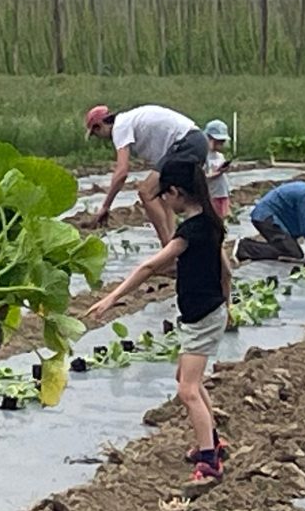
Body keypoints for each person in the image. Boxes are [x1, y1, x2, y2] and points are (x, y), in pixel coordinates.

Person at [87, 158, 232, 485]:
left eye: (165, 196)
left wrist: (112, 297)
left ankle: (209, 461)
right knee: (187, 377)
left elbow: (149, 268)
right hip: (208, 312)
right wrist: (228, 302)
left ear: (177, 192)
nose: (164, 202)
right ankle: (214, 440)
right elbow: (227, 270)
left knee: (187, 390)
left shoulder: (189, 232)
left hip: (202, 316)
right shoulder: (213, 223)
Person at [84, 102, 208, 245]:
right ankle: (172, 244)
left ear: (99, 125)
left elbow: (122, 172)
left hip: (186, 143)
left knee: (146, 191)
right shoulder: (129, 120)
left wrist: (106, 206)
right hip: (196, 141)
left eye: (96, 133)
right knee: (164, 194)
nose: (100, 138)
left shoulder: (120, 126)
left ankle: (167, 249)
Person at [236, 178, 305, 263]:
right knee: (293, 253)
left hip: (281, 222)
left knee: (288, 248)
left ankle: (261, 246)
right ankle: (245, 247)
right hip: (266, 217)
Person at [203, 119, 233, 219]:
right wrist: (217, 173)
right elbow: (202, 177)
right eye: (218, 142)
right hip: (212, 194)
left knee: (223, 218)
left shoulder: (220, 156)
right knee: (213, 219)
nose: (220, 144)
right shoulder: (204, 156)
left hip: (222, 192)